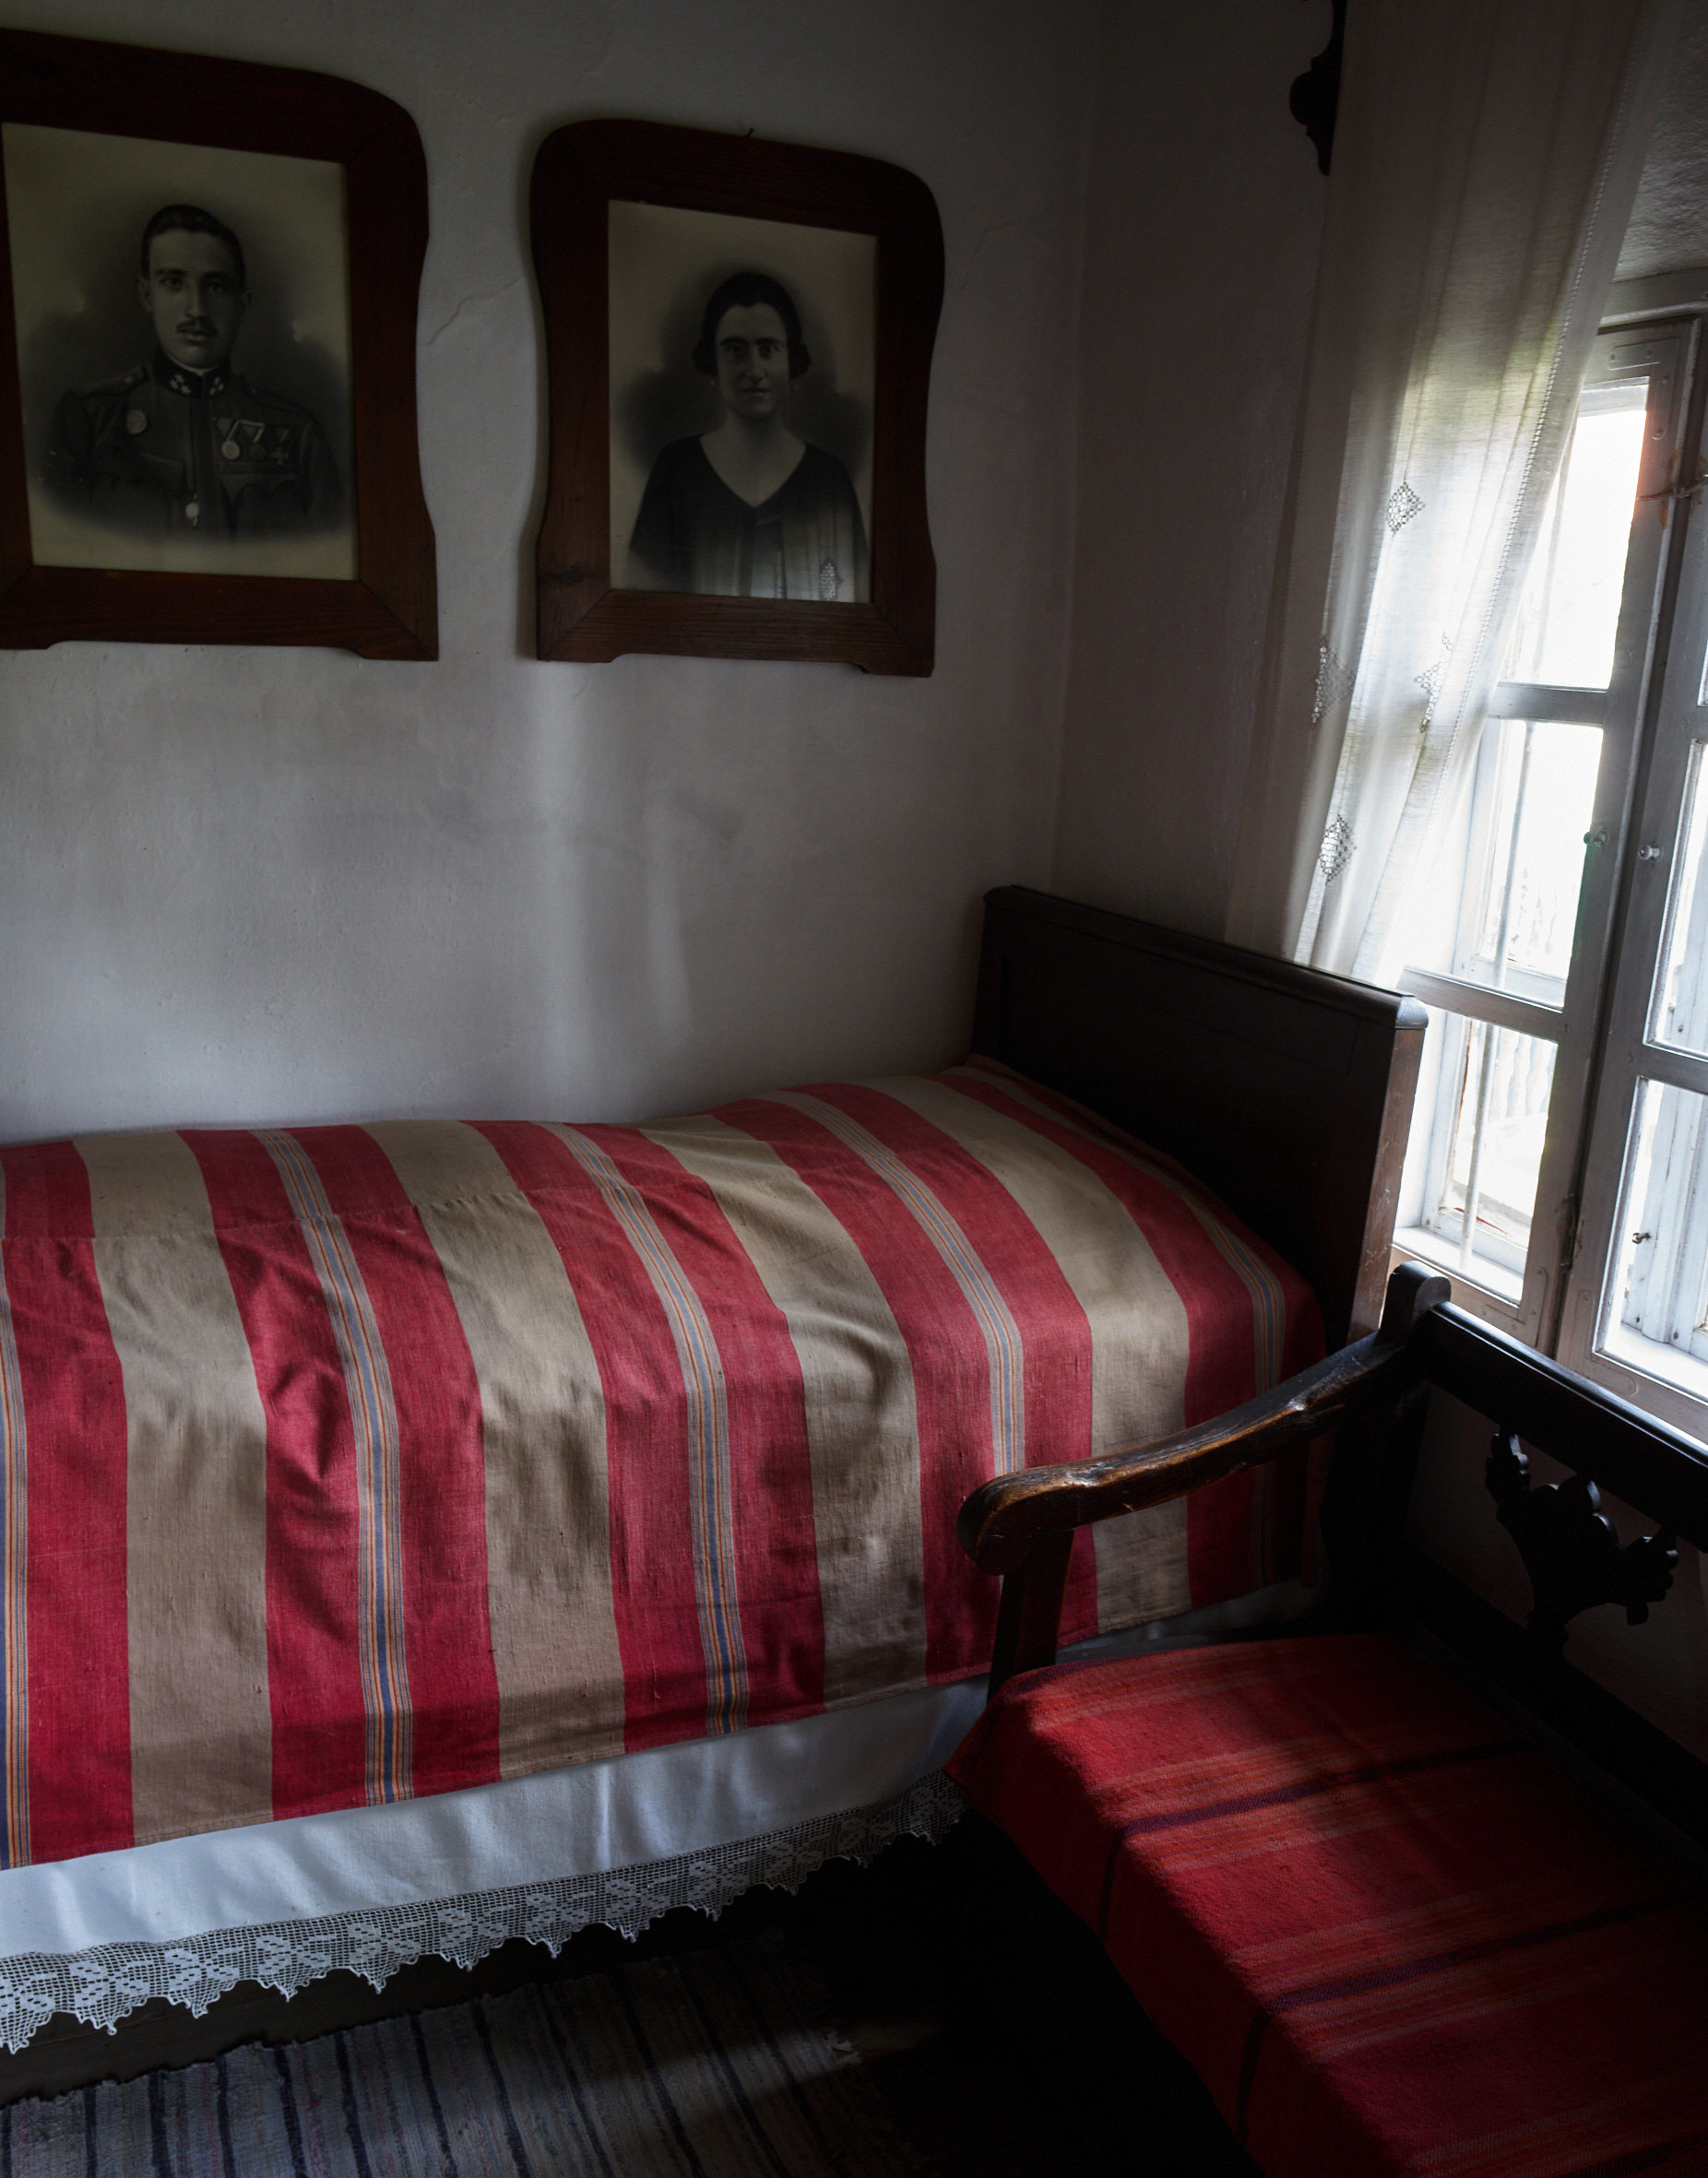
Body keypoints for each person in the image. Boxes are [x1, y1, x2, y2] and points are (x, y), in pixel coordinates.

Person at [45, 204, 344, 540]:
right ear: (147, 295)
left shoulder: (296, 433)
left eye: (215, 287)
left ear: (241, 304)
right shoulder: (92, 418)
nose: (197, 310)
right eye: (173, 283)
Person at [628, 272, 868, 601]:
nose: (754, 370)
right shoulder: (675, 470)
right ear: (713, 362)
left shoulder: (829, 479)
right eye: (735, 350)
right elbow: (644, 599)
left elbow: (853, 597)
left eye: (768, 349)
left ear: (791, 361)